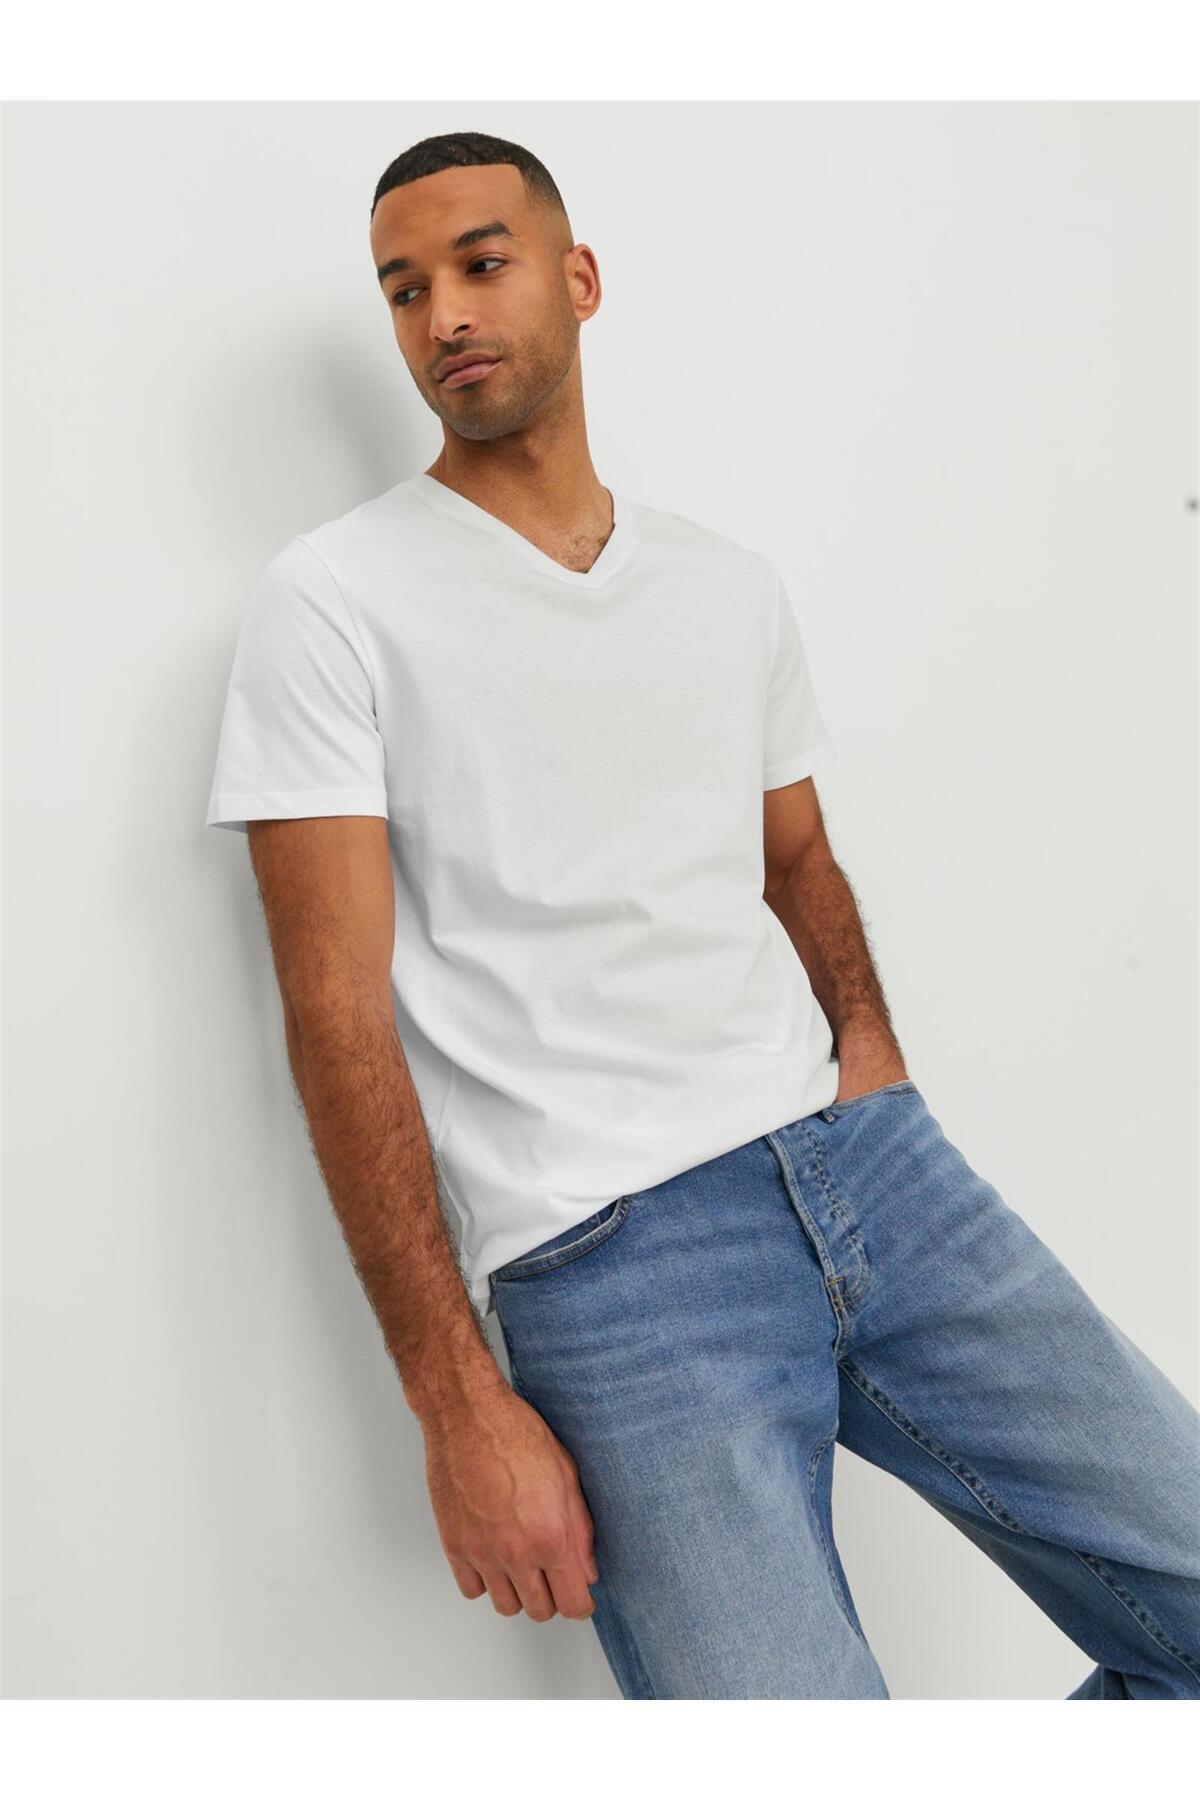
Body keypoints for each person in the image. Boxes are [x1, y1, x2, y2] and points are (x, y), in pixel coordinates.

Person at [205, 130, 1200, 1700]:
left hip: (873, 1174)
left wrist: (871, 1064)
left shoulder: (725, 583)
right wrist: (454, 1400)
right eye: (404, 290)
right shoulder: (332, 600)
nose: (444, 314)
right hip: (614, 1262)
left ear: (578, 279)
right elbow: (334, 1004)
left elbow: (796, 860)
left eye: (481, 263)